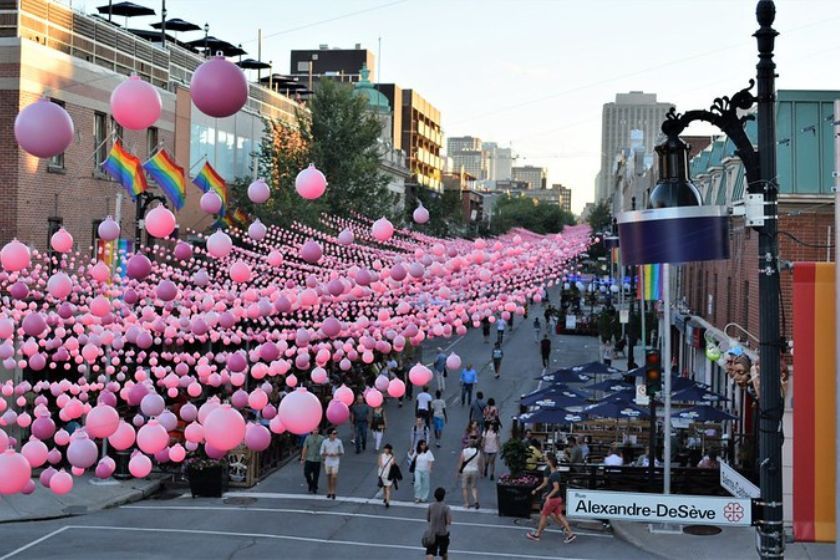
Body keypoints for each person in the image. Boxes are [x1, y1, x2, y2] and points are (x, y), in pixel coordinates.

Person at [526, 453, 576, 543]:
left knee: (544, 516)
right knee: (560, 516)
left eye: (547, 460)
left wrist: (548, 496)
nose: (546, 461)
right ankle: (570, 534)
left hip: (552, 500)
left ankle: (537, 535)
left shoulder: (553, 475)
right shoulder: (556, 473)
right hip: (557, 498)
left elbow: (556, 488)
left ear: (551, 462)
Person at [425, 487, 452, 560]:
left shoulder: (431, 506)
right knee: (444, 553)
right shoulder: (446, 507)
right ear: (443, 496)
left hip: (432, 533)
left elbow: (428, 519)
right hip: (443, 533)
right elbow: (449, 522)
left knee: (430, 552)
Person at [457, 437, 481, 509]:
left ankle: (466, 503)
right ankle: (476, 500)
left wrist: (458, 471)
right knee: (473, 487)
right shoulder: (478, 452)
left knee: (464, 488)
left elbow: (461, 461)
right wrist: (480, 472)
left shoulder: (464, 451)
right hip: (474, 470)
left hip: (466, 470)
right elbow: (479, 463)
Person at [320, 429, 344, 499]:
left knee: (334, 476)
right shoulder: (325, 442)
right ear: (330, 435)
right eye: (334, 434)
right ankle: (329, 491)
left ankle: (333, 491)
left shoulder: (339, 441)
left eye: (335, 433)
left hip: (335, 461)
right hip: (328, 460)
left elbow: (342, 452)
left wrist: (336, 454)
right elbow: (321, 452)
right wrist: (326, 453)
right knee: (328, 476)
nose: (335, 435)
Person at [300, 427, 325, 494]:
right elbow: (305, 448)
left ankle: (314, 487)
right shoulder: (308, 438)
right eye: (314, 430)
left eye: (317, 430)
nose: (315, 431)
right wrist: (303, 458)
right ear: (312, 431)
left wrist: (323, 459)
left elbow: (323, 449)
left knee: (316, 474)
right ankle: (311, 483)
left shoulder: (322, 438)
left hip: (317, 459)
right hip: (309, 458)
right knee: (306, 473)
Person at [378, 444, 396, 508]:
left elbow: (394, 465)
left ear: (389, 450)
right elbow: (379, 463)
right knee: (385, 487)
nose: (385, 450)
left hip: (389, 475)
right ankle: (385, 497)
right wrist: (382, 466)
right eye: (385, 448)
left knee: (388, 488)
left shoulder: (392, 457)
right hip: (382, 474)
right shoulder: (381, 455)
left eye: (387, 449)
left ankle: (387, 501)